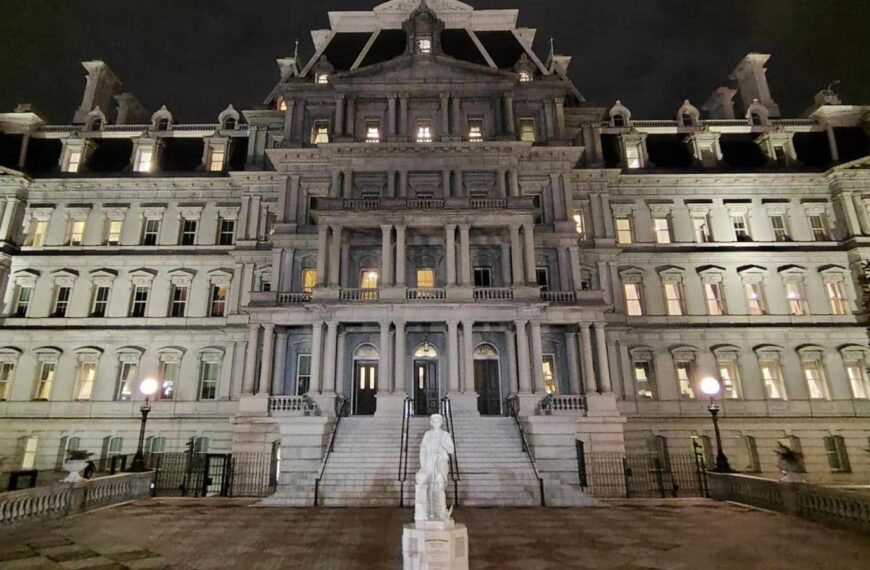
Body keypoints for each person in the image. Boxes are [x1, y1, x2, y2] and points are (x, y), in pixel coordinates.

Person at [415, 414, 455, 522]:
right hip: (430, 462)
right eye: (434, 421)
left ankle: (442, 510)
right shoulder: (427, 434)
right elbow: (423, 449)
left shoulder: (445, 435)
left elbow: (451, 450)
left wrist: (443, 444)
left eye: (438, 421)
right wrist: (423, 465)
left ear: (441, 423)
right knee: (431, 487)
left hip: (440, 462)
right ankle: (431, 511)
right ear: (431, 423)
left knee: (440, 486)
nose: (436, 423)